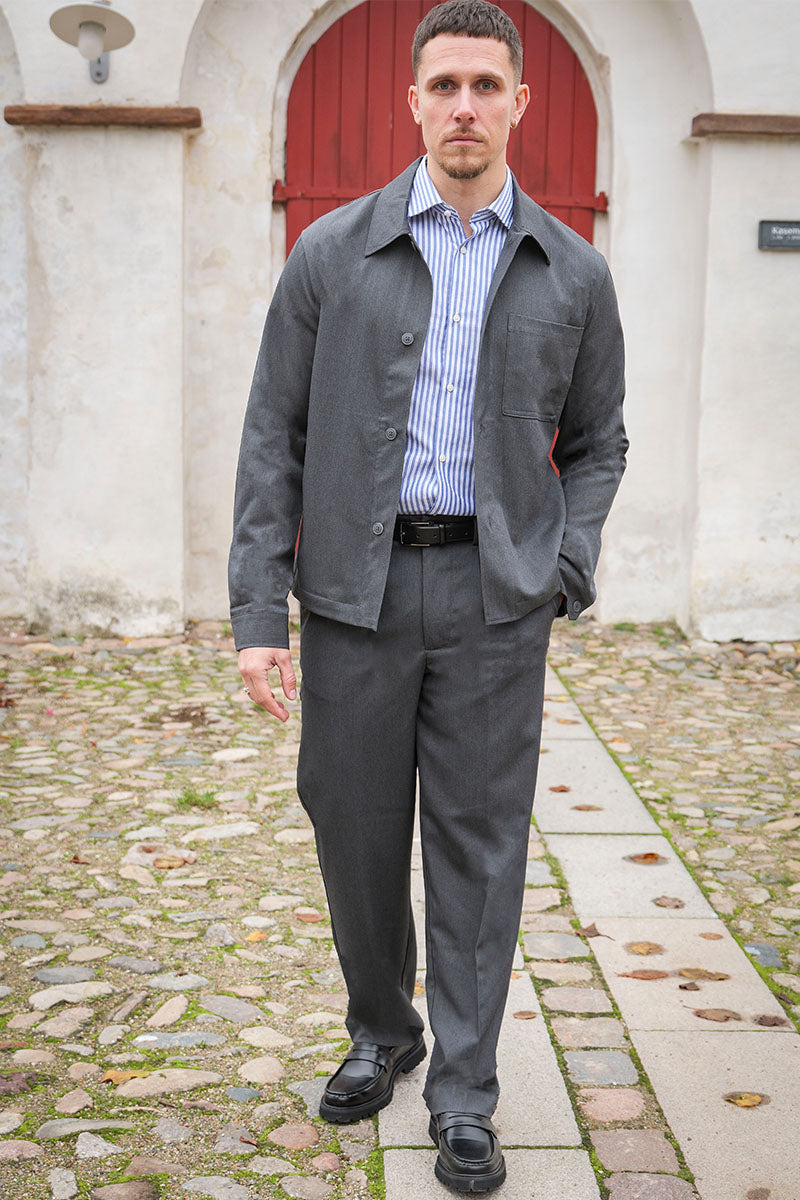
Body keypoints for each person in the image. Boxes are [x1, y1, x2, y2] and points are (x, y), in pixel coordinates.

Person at [228, 0, 627, 1191]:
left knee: (478, 847)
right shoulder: (330, 255)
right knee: (351, 829)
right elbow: (271, 437)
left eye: (484, 87)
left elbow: (598, 441)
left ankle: (463, 1092)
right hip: (352, 595)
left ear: (518, 103)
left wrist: (563, 565)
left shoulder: (571, 271)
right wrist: (258, 614)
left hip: (495, 601)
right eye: (443, 85)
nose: (463, 107)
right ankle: (381, 1029)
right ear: (412, 101)